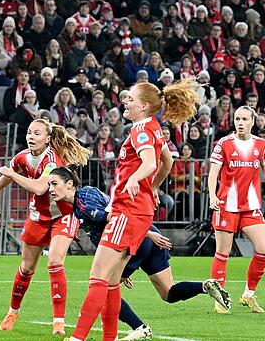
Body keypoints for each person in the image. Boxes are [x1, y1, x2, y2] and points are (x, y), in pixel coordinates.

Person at [66, 78, 200, 341]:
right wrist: (152, 189)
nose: (125, 101)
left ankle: (77, 338)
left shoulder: (140, 131)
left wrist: (136, 180)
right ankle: (110, 337)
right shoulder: (153, 128)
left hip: (127, 212)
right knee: (112, 280)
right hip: (137, 211)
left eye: (130, 99)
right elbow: (167, 161)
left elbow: (150, 163)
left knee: (98, 276)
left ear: (145, 106)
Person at [47, 167, 231, 341]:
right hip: (140, 238)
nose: (50, 189)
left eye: (54, 184)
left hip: (138, 236)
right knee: (168, 293)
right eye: (49, 185)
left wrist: (145, 235)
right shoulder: (82, 200)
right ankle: (204, 286)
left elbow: (117, 218)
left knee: (103, 289)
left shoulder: (84, 199)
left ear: (69, 183)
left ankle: (137, 328)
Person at [0, 119, 91, 335]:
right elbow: (7, 175)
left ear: (48, 139)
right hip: (37, 217)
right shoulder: (22, 157)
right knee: (26, 268)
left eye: (37, 133)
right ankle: (13, 311)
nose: (31, 136)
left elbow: (41, 188)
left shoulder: (52, 159)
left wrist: (12, 174)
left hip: (63, 215)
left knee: (55, 261)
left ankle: (58, 321)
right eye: (29, 132)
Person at [207, 105, 265, 314]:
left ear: (253, 122)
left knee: (263, 250)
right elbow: (213, 173)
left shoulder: (261, 145)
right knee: (222, 253)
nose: (240, 122)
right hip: (226, 205)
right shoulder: (224, 144)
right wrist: (212, 195)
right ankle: (219, 300)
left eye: (244, 119)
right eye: (237, 119)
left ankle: (248, 294)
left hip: (251, 206)